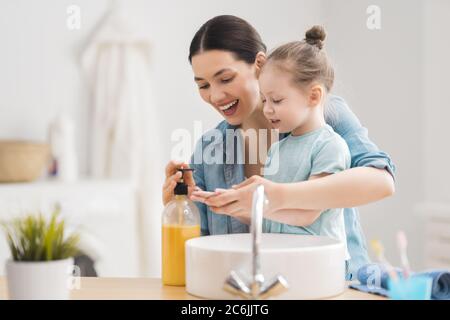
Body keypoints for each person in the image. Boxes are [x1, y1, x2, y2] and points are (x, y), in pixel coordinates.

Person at [162, 15, 395, 280]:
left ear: (259, 65)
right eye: (203, 85)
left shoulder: (319, 111)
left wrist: (274, 196)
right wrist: (180, 209)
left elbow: (381, 181)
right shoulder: (209, 148)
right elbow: (197, 261)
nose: (214, 96)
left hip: (335, 285)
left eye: (225, 79)